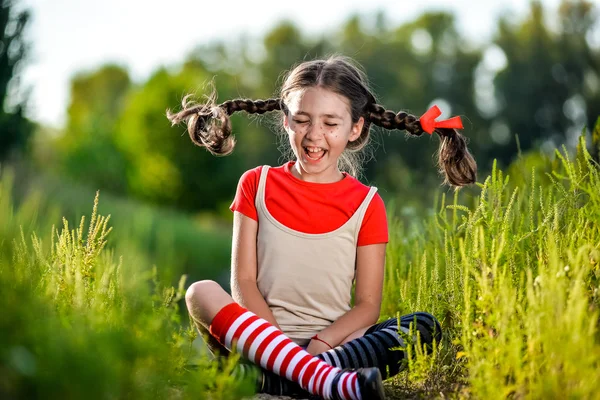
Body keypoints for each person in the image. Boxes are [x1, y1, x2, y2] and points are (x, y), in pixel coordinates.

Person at [167, 55, 477, 400]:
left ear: (355, 128)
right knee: (200, 293)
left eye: (331, 123)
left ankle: (287, 379)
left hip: (334, 347)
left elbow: (367, 306)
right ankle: (314, 379)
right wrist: (281, 350)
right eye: (302, 120)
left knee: (423, 327)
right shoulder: (256, 184)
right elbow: (243, 282)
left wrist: (320, 344)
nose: (314, 135)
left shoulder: (367, 205)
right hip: (260, 343)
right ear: (285, 120)